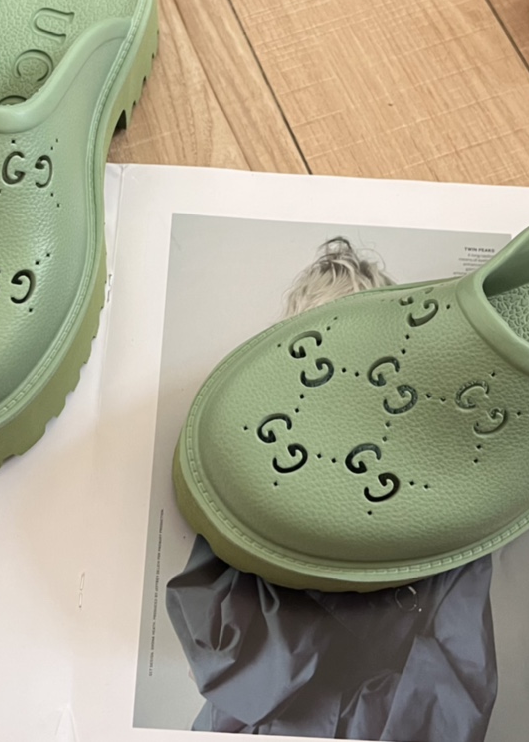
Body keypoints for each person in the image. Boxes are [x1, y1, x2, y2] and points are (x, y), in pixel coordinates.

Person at [165, 238, 499, 740]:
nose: (332, 378)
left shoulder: (445, 497)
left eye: (357, 354)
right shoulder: (244, 477)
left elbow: (456, 698)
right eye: (311, 352)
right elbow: (214, 652)